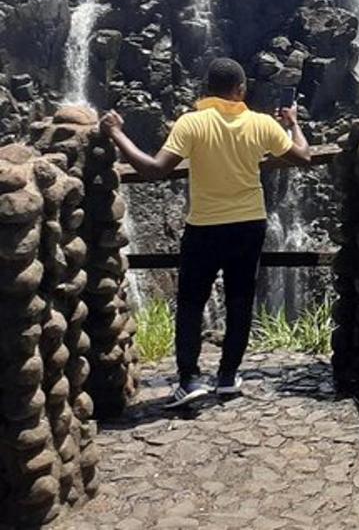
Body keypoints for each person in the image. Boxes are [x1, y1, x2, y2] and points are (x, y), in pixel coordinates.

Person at [100, 58, 311, 407]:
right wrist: (293, 125)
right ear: (241, 90)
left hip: (205, 227)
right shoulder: (261, 124)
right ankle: (228, 376)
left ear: (206, 90)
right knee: (240, 301)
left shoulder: (192, 123)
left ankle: (190, 379)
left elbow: (154, 169)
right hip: (250, 225)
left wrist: (116, 132)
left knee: (190, 303)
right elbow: (302, 156)